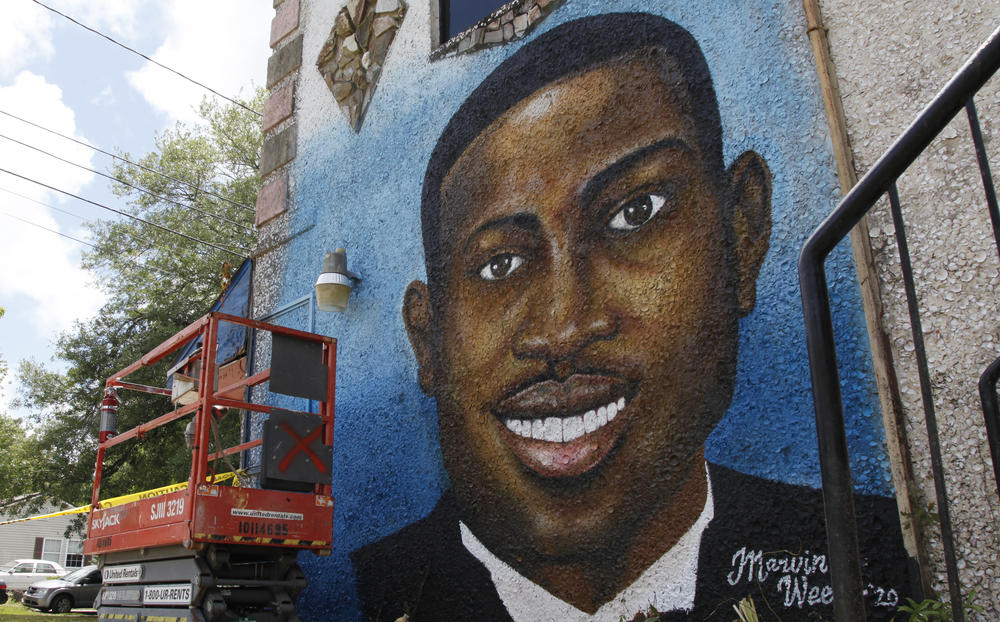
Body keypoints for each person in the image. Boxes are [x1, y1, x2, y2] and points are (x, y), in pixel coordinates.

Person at [352, 13, 912, 621]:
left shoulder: (863, 548)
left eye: (635, 213)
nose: (564, 326)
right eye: (500, 265)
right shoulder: (375, 592)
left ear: (740, 234)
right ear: (428, 341)